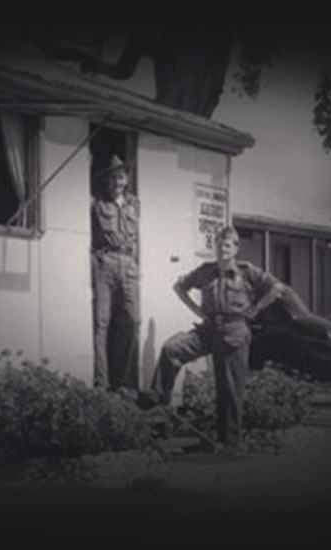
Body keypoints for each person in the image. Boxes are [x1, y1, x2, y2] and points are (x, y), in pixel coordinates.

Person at [139, 225, 286, 452]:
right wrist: (196, 310)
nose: (222, 248)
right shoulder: (205, 271)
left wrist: (256, 308)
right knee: (172, 350)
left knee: (228, 388)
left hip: (234, 331)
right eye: (218, 244)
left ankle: (229, 444)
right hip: (208, 329)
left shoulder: (247, 271)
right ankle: (159, 404)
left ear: (235, 248)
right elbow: (179, 287)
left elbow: (276, 287)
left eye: (227, 245)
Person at [90, 155, 140, 392]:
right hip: (105, 261)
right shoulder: (97, 203)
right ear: (106, 181)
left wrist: (136, 264)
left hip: (129, 263)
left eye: (120, 177)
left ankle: (122, 382)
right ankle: (102, 383)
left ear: (127, 179)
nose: (117, 182)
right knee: (102, 323)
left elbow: (138, 238)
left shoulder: (135, 204)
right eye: (112, 178)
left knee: (131, 321)